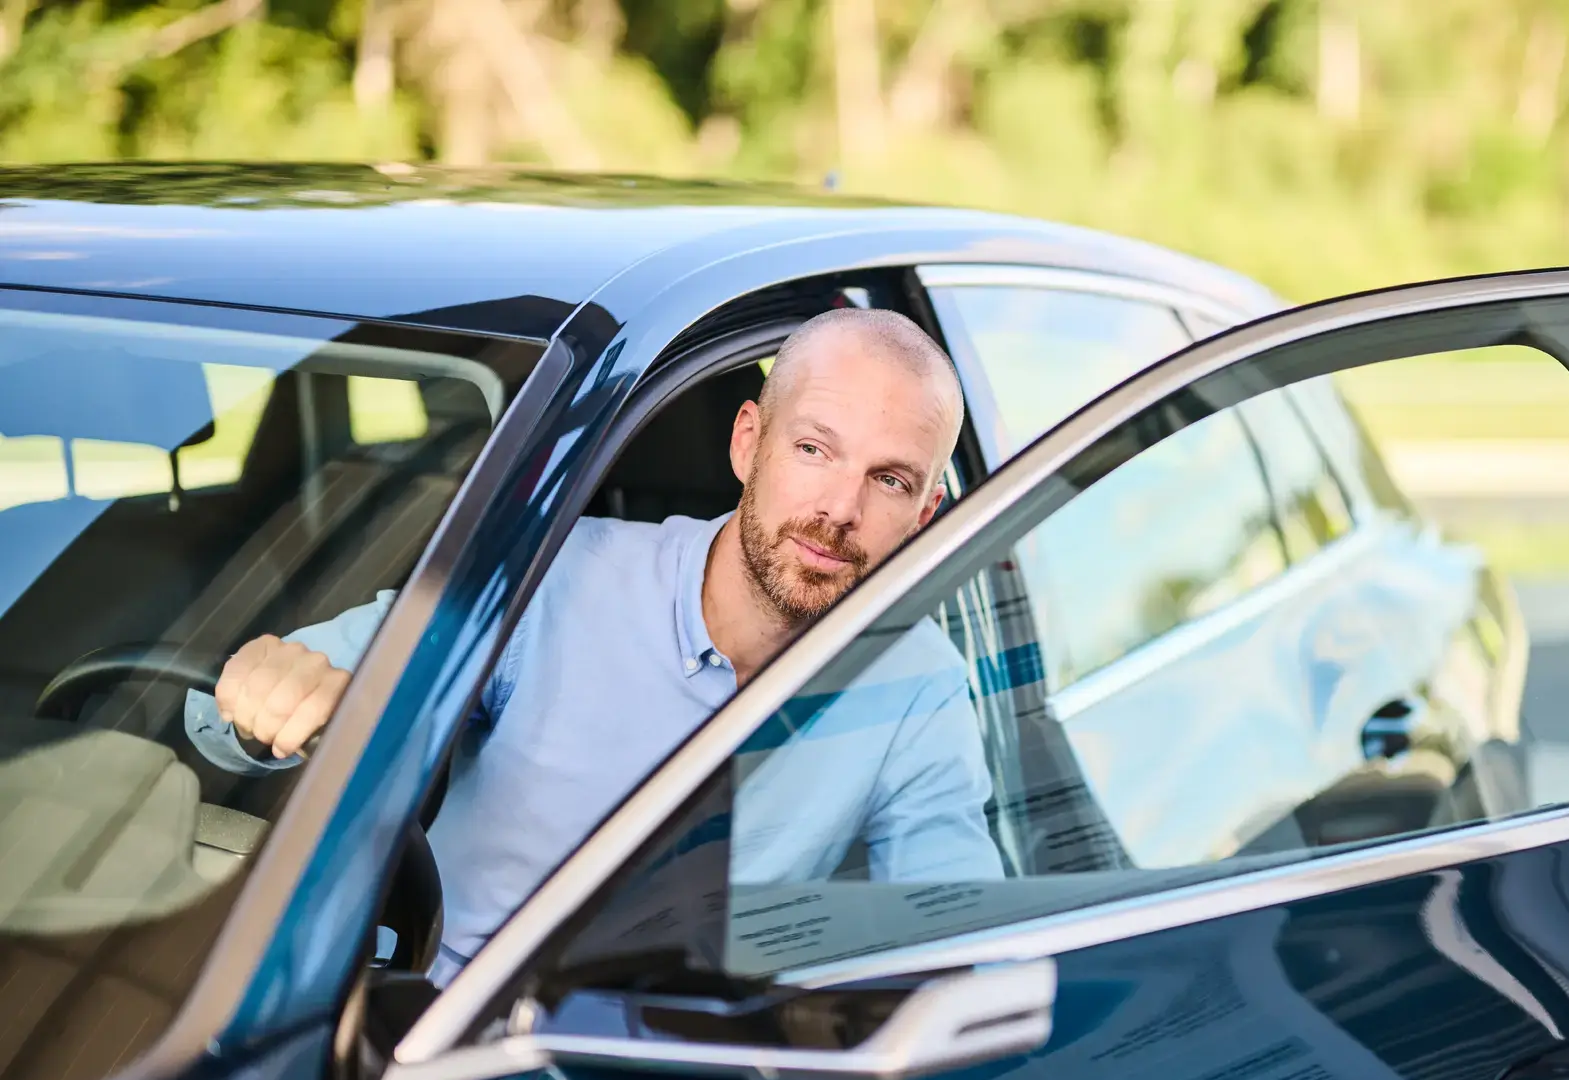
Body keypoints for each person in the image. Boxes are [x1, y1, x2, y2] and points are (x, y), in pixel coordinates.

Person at [186, 308, 1002, 982]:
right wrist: (263, 688)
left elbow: (958, 938)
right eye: (814, 449)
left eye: (890, 480)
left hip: (689, 1067)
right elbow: (249, 698)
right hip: (436, 1038)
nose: (839, 509)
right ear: (748, 443)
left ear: (925, 515)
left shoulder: (918, 683)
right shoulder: (554, 577)